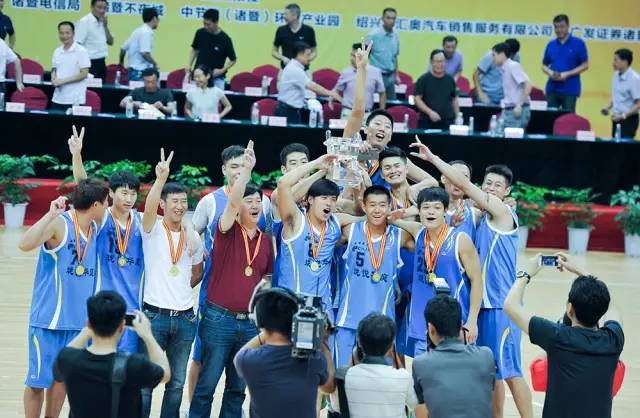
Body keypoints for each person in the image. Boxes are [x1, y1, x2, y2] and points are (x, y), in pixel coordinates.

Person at [409, 140, 533, 418]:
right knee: (494, 372)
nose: (491, 189)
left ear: (507, 192)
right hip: (483, 305)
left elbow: (463, 186)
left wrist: (433, 158)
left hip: (502, 306)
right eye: (487, 183)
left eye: (497, 186)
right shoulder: (479, 216)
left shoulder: (503, 213)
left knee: (511, 372)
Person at [189, 141, 273, 418]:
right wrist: (246, 172)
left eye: (258, 201)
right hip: (218, 317)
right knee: (206, 385)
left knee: (237, 389)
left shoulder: (266, 241)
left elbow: (266, 279)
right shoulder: (225, 229)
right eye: (249, 201)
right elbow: (231, 203)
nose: (255, 205)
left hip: (249, 323)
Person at [19, 179, 109, 418]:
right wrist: (49, 215)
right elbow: (24, 244)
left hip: (78, 324)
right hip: (48, 322)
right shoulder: (60, 224)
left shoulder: (95, 228)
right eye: (106, 202)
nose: (108, 206)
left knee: (62, 380)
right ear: (96, 205)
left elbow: (85, 182)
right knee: (37, 382)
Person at [504, 253, 624, 418]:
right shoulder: (613, 339)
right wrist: (581, 271)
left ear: (569, 309)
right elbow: (611, 306)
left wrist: (525, 274)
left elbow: (510, 305)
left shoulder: (557, 337)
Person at [68, 125, 145, 353]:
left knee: (125, 366)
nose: (129, 198)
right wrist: (76, 155)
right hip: (102, 306)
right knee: (99, 361)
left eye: (133, 194)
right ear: (111, 193)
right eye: (124, 193)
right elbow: (84, 187)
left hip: (132, 308)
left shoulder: (142, 221)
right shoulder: (102, 217)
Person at [139, 149, 204, 418]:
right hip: (154, 316)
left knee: (176, 384)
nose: (180, 206)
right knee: (145, 383)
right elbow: (149, 206)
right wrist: (160, 179)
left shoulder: (193, 237)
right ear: (163, 205)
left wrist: (179, 291)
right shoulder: (151, 230)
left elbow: (198, 272)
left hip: (186, 318)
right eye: (174, 201)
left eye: (183, 202)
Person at [389, 187, 482, 357]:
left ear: (445, 211)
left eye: (437, 208)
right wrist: (400, 214)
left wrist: (472, 321)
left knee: (452, 372)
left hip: (453, 325)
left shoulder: (461, 240)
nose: (431, 212)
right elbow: (390, 219)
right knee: (422, 371)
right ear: (419, 211)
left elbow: (477, 280)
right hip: (421, 325)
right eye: (426, 207)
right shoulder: (418, 232)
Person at [53, 291, 170, 418]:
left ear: (89, 324)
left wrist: (88, 330)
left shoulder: (68, 360)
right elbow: (165, 374)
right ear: (122, 326)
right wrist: (148, 336)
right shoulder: (134, 364)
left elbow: (58, 369)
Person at [334, 186, 414, 367]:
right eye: (372, 205)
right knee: (343, 373)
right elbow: (331, 221)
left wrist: (398, 220)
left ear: (389, 206)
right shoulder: (351, 230)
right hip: (349, 318)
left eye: (382, 205)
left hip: (382, 323)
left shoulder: (400, 236)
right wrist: (360, 217)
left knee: (380, 376)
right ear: (364, 206)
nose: (377, 210)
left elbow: (424, 234)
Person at [234, 288, 335, 418]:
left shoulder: (248, 361)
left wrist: (266, 330)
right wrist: (324, 342)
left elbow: (239, 355)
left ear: (259, 321)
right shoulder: (313, 358)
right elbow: (329, 388)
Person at [412, 295, 495, 418]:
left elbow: (421, 414)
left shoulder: (421, 363)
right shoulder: (486, 356)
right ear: (461, 326)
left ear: (431, 329)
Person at [332, 313, 417, 417]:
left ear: (359, 343)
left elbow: (336, 407)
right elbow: (414, 404)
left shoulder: (344, 377)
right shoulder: (403, 377)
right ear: (391, 346)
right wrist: (394, 355)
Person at [276, 41, 342, 124]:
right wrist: (331, 93)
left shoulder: (295, 67)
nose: (310, 58)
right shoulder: (294, 69)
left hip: (289, 110)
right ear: (299, 55)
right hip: (287, 112)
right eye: (307, 55)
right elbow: (313, 87)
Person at [542, 14, 589, 112]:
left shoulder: (578, 43)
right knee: (550, 118)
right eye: (556, 27)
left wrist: (567, 74)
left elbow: (585, 65)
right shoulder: (551, 44)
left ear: (568, 26)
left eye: (562, 27)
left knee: (568, 119)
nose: (559, 30)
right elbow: (544, 65)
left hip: (570, 90)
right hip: (552, 89)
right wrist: (551, 73)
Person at [333, 42, 386, 119]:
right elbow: (335, 92)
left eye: (355, 56)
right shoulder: (346, 73)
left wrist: (381, 113)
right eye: (351, 55)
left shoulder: (375, 72)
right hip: (348, 113)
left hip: (367, 114)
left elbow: (382, 93)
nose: (351, 59)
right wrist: (344, 102)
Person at [186, 8, 236, 90]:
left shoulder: (225, 39)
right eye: (204, 23)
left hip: (216, 79)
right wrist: (189, 64)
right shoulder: (200, 33)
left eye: (208, 24)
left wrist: (222, 70)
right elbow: (195, 49)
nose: (206, 27)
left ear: (216, 22)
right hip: (199, 77)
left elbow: (233, 60)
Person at [414, 49, 459, 130]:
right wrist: (430, 112)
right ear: (431, 62)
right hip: (427, 122)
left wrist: (458, 116)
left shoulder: (450, 80)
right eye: (436, 61)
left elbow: (454, 99)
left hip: (447, 122)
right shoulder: (423, 79)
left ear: (446, 62)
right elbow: (417, 99)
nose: (439, 64)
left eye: (442, 61)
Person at [51, 21, 91, 111]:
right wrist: (53, 78)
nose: (64, 36)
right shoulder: (57, 51)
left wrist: (63, 81)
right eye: (61, 33)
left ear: (73, 34)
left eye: (67, 33)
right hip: (57, 98)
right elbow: (54, 68)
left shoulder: (81, 51)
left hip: (74, 99)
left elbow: (84, 74)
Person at [493, 42, 532, 130]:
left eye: (494, 55)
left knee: (512, 137)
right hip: (508, 110)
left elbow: (528, 85)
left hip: (517, 110)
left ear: (502, 54)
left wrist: (519, 105)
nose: (493, 58)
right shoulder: (504, 68)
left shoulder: (513, 66)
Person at [602, 48, 640, 138]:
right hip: (616, 118)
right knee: (615, 145)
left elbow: (638, 103)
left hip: (629, 120)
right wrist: (608, 107)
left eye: (616, 60)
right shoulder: (616, 75)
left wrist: (623, 116)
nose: (613, 63)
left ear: (625, 62)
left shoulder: (634, 79)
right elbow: (617, 96)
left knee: (625, 146)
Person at [365, 7, 400, 100]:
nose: (391, 21)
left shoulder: (395, 36)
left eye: (393, 18)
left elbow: (395, 57)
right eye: (388, 18)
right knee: (375, 104)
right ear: (382, 19)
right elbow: (363, 55)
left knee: (391, 104)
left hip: (390, 77)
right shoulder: (373, 35)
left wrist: (397, 75)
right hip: (376, 76)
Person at [474, 38, 520, 105]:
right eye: (510, 54)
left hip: (504, 96)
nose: (511, 57)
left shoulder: (516, 57)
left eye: (514, 54)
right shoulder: (491, 56)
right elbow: (476, 74)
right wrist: (480, 93)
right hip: (487, 94)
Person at [75, 0, 114, 80]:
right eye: (99, 7)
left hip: (101, 63)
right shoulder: (85, 22)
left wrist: (105, 26)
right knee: (90, 87)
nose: (102, 11)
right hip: (89, 64)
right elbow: (77, 44)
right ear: (92, 7)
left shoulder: (103, 22)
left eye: (105, 8)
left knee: (101, 87)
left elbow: (110, 42)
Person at [272, 3, 317, 69]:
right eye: (284, 14)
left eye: (286, 14)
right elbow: (274, 51)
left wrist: (306, 60)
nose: (284, 16)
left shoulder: (309, 30)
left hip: (303, 69)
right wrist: (283, 58)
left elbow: (314, 52)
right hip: (285, 69)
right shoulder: (281, 30)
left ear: (295, 16)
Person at [120, 7, 159, 81]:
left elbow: (123, 49)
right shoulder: (146, 32)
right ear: (154, 18)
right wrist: (155, 64)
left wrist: (121, 64)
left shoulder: (137, 31)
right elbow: (145, 54)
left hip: (132, 72)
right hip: (141, 73)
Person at [441, 160, 476, 240]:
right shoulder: (428, 209)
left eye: (465, 177)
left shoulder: (475, 213)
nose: (459, 181)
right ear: (443, 178)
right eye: (454, 174)